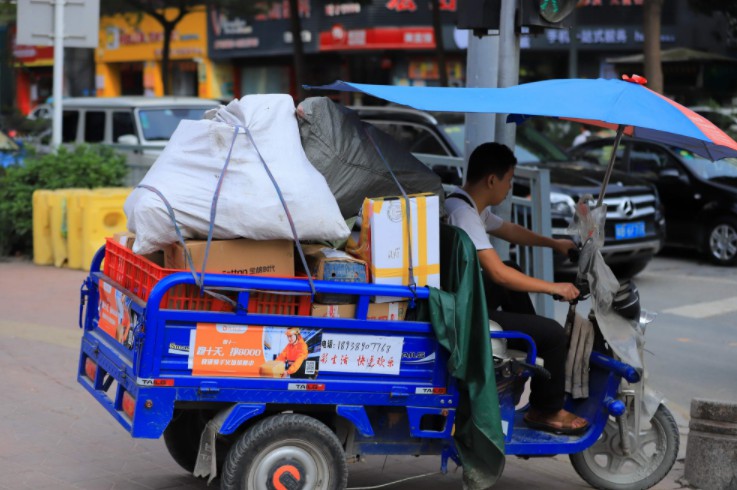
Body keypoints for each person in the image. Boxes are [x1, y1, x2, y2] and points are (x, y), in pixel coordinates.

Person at [444, 142, 588, 435]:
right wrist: (554, 287)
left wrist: (554, 243)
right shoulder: (465, 216)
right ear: (492, 180)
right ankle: (545, 410)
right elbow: (498, 274)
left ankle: (528, 338)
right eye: (509, 179)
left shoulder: (463, 203)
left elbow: (508, 229)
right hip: (461, 310)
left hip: (459, 294)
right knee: (554, 334)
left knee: (518, 272)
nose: (510, 187)